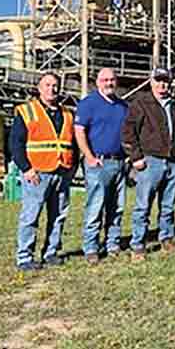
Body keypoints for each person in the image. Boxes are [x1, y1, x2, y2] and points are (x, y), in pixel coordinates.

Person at [12, 72, 76, 271]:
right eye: (47, 85)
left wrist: (72, 168)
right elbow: (15, 143)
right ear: (39, 89)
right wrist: (26, 168)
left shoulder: (68, 113)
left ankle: (50, 252)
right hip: (37, 173)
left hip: (62, 171)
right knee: (31, 216)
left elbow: (72, 143)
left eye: (55, 85)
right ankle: (24, 257)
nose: (52, 89)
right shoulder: (26, 111)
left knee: (58, 215)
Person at [122, 67, 175, 261]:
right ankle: (138, 245)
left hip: (172, 161)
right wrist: (136, 157)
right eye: (158, 80)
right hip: (150, 160)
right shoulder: (141, 103)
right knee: (143, 205)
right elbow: (128, 132)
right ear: (151, 82)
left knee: (168, 205)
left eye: (165, 80)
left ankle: (166, 238)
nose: (162, 84)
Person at [74, 68, 128, 265]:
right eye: (105, 80)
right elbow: (79, 132)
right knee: (95, 206)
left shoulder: (122, 106)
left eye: (112, 80)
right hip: (98, 162)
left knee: (118, 206)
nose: (109, 83)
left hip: (119, 162)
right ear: (97, 82)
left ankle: (112, 243)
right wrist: (88, 156)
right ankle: (91, 247)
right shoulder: (88, 104)